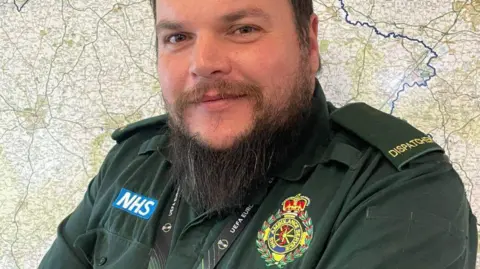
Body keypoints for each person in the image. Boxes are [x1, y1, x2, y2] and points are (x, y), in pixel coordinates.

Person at [39, 0, 477, 268]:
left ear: (309, 42)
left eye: (243, 29)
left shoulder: (397, 191)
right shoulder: (131, 162)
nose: (203, 62)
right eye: (178, 37)